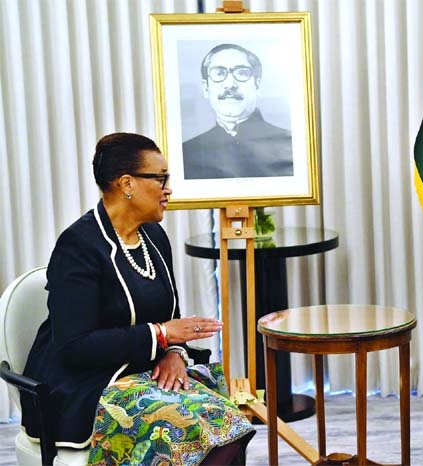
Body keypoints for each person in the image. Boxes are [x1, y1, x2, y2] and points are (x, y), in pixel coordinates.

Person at [21, 133, 255, 465]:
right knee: (197, 434)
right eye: (160, 178)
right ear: (127, 183)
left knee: (233, 427)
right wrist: (160, 336)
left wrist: (174, 352)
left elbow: (171, 313)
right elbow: (73, 346)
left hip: (143, 371)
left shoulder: (154, 237)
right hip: (87, 386)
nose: (168, 188)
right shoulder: (78, 247)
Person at [182, 43, 294, 179]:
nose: (230, 84)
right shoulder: (186, 153)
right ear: (206, 88)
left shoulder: (291, 146)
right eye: (219, 73)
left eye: (241, 73)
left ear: (257, 85)